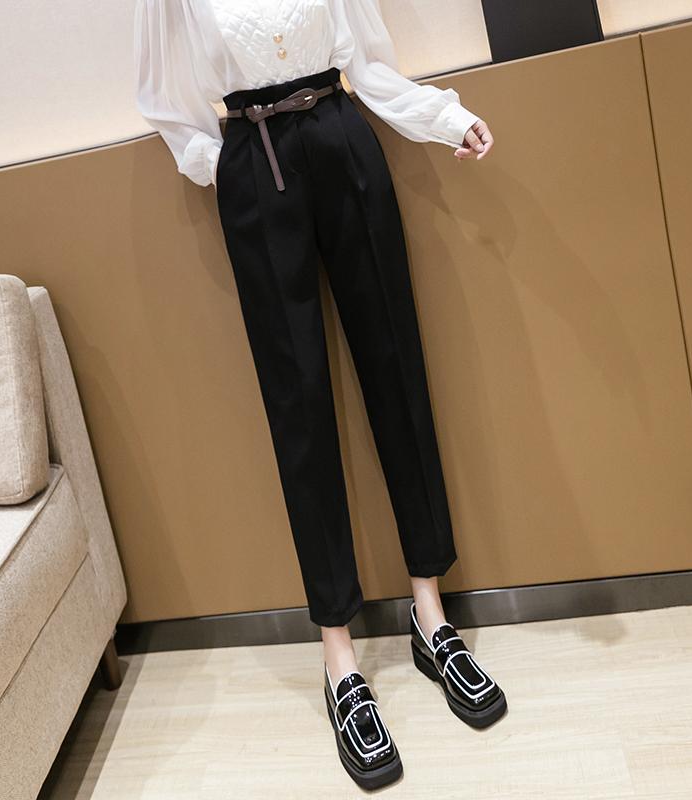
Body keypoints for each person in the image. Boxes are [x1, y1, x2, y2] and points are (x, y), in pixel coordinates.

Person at [134, 0, 505, 788]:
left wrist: (443, 117)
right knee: (297, 407)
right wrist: (221, 166)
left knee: (396, 368)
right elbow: (162, 97)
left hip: (342, 138)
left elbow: (367, 62)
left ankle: (430, 615)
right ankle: (339, 656)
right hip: (254, 158)